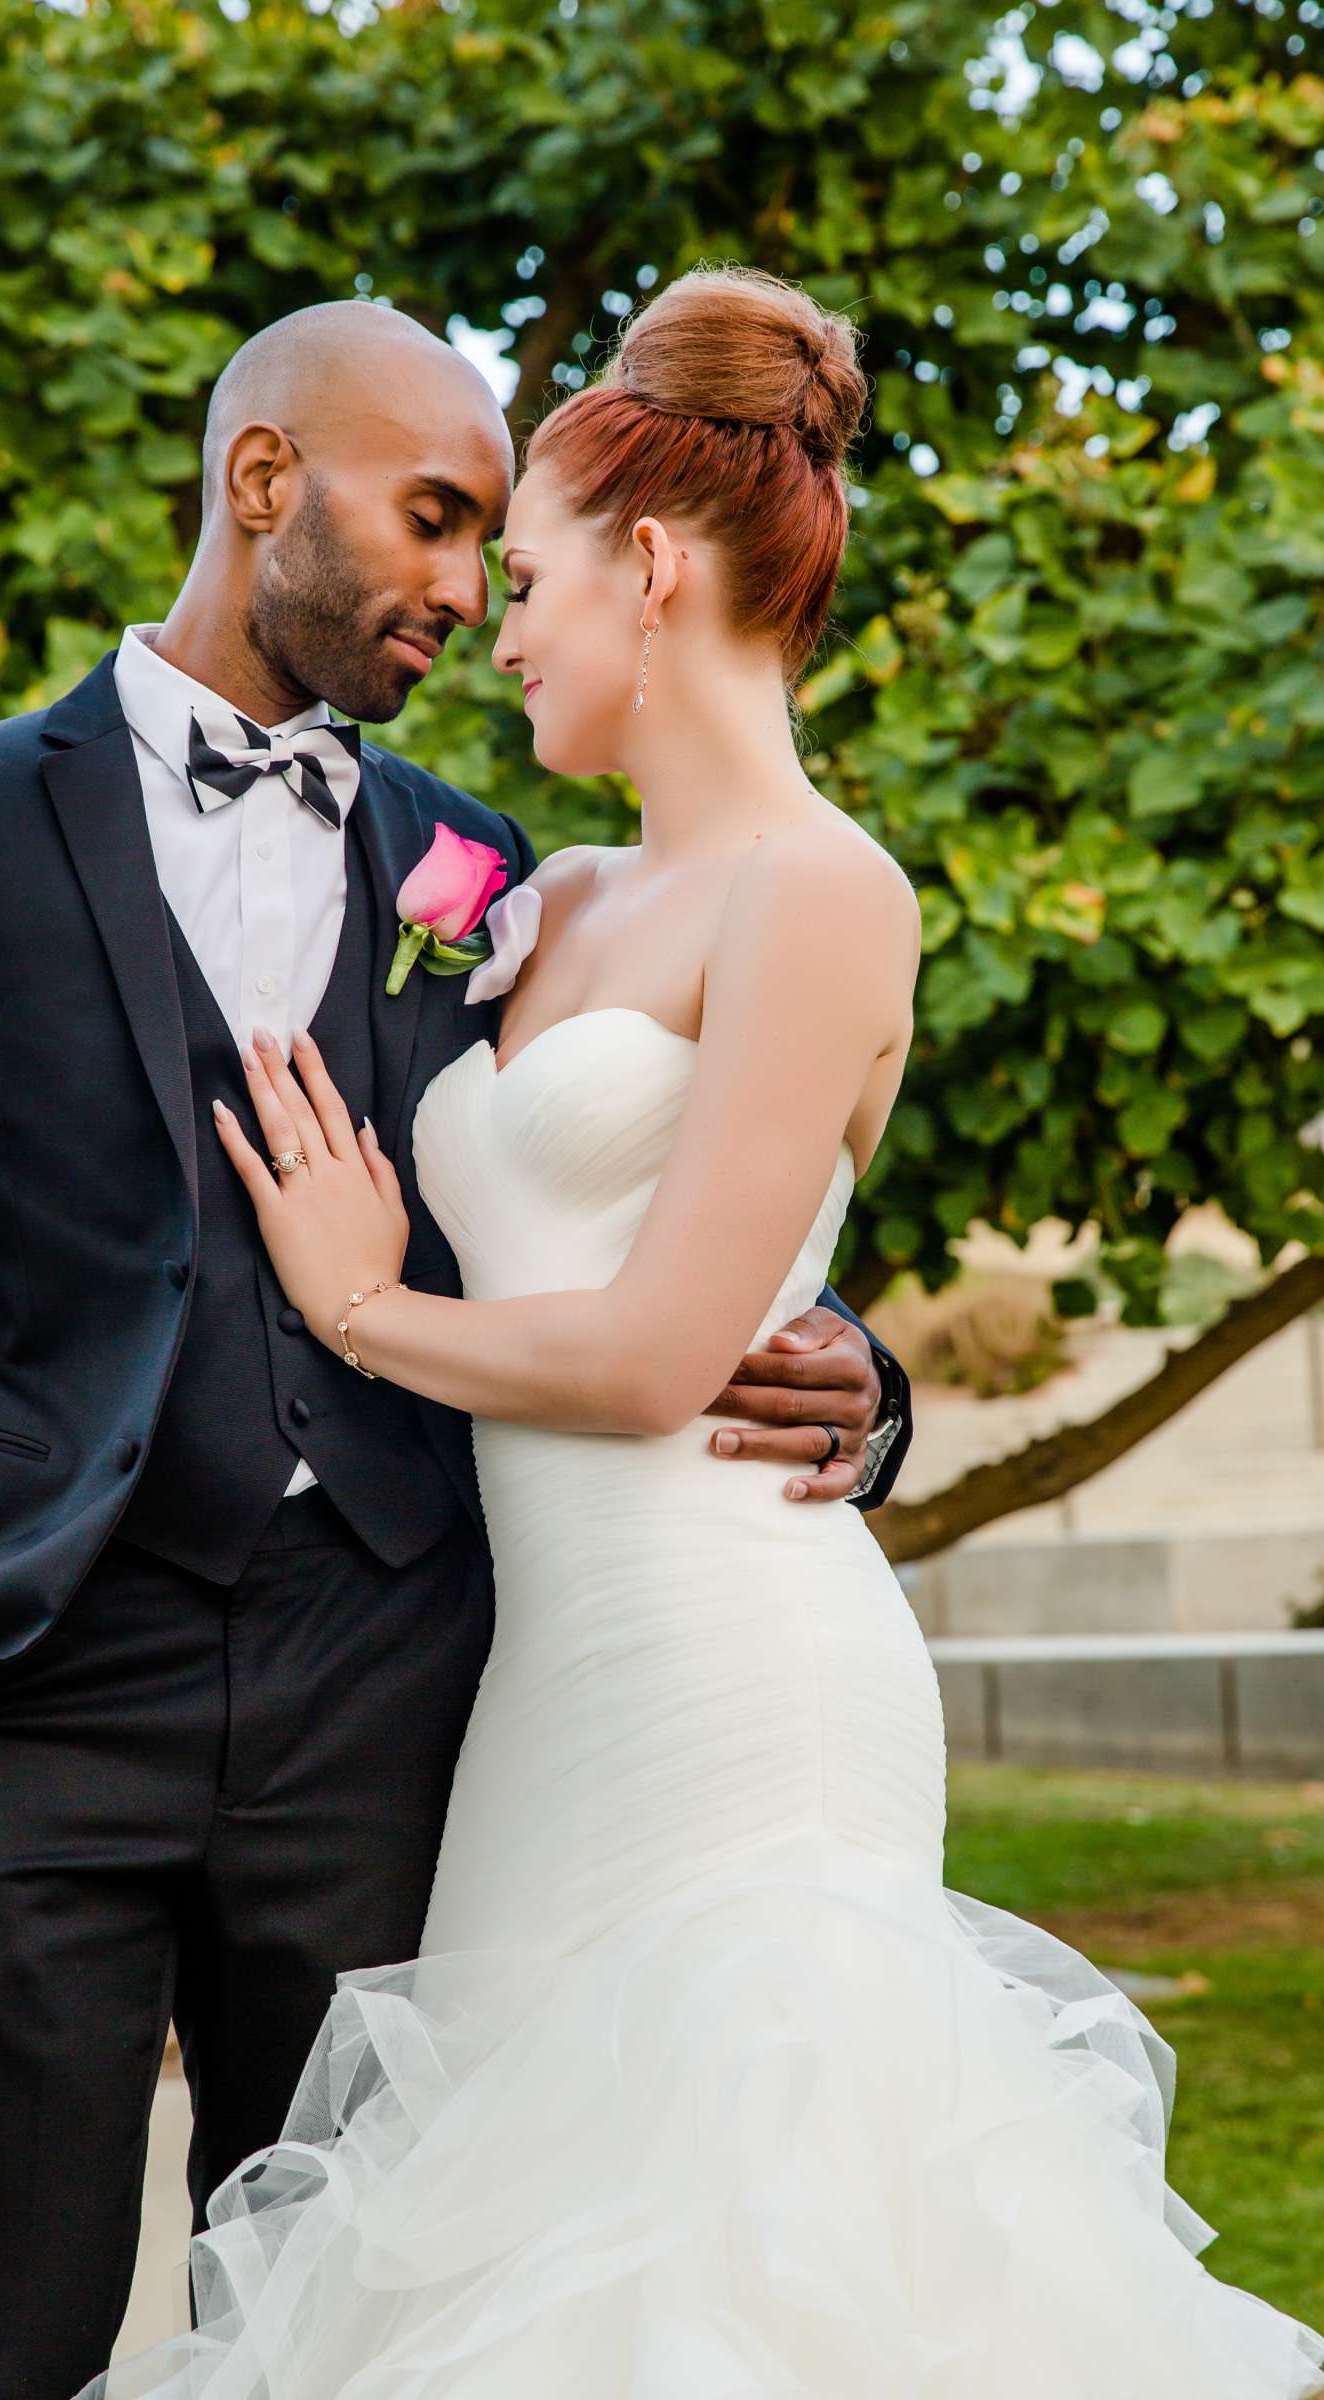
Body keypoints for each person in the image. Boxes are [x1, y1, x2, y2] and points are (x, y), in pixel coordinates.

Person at [91, 269, 1324, 2398]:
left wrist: (364, 1306)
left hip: (740, 1685)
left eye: (535, 570)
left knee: (728, 2282)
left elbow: (669, 1350)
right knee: (500, 2271)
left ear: (649, 568)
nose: (496, 621)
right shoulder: (541, 894)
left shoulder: (825, 896)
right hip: (531, 1698)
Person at [0, 296, 907, 2400]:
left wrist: (855, 1367)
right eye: (435, 520)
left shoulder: (473, 868)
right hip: (35, 1702)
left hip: (395, 1709)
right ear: (261, 481)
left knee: (355, 2330)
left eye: (497, 545)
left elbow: (654, 1182)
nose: (466, 588)